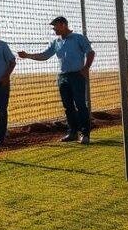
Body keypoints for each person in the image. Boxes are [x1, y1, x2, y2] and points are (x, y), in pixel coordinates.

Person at [18, 16, 96, 144]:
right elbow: (45, 55)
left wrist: (86, 68)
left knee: (81, 105)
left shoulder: (78, 38)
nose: (54, 29)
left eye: (55, 26)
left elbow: (90, 52)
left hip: (77, 76)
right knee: (68, 107)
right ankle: (72, 132)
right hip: (62, 77)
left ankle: (85, 134)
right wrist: (27, 55)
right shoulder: (56, 42)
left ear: (63, 25)